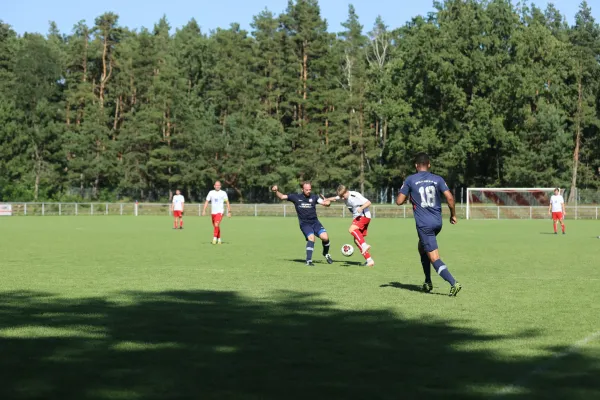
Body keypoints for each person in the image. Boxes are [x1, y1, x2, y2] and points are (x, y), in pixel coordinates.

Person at [396, 152, 462, 296]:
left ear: (416, 166)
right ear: (429, 164)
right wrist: (453, 215)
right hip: (437, 222)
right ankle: (427, 281)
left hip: (424, 225)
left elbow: (399, 201)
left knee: (434, 257)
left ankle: (453, 282)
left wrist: (408, 192)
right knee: (421, 247)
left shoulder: (410, 179)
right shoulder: (437, 179)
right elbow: (450, 198)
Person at [271, 182, 333, 266]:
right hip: (305, 223)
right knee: (312, 238)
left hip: (315, 222)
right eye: (306, 189)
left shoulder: (314, 197)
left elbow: (326, 204)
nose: (308, 191)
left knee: (325, 238)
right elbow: (282, 197)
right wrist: (276, 191)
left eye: (310, 189)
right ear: (302, 189)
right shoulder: (296, 197)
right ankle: (308, 261)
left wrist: (328, 202)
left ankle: (326, 254)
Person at [325, 185, 375, 267]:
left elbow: (368, 202)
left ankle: (364, 245)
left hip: (363, 216)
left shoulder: (355, 195)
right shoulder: (343, 196)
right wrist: (326, 199)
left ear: (346, 191)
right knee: (356, 240)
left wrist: (361, 208)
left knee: (351, 229)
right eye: (341, 197)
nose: (343, 198)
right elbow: (335, 198)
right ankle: (369, 260)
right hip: (358, 218)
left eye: (343, 196)